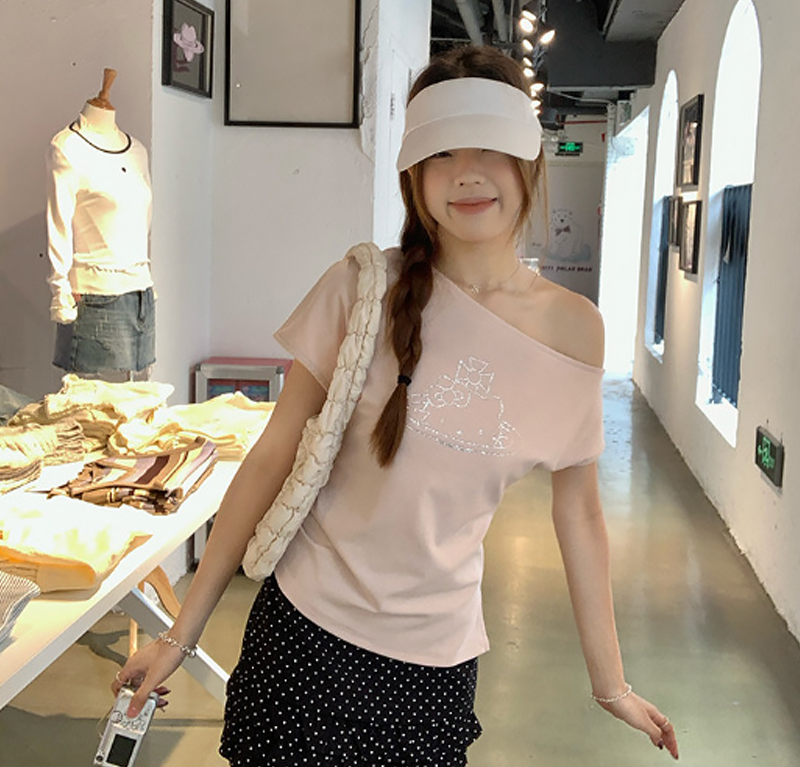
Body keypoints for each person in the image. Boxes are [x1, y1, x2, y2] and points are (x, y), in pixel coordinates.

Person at [113, 45, 679, 764]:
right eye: (441, 153)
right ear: (414, 174)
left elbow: (580, 512)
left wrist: (611, 685)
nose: (466, 172)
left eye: (489, 148)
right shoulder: (360, 290)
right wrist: (179, 633)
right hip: (303, 645)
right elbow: (271, 456)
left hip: (433, 672)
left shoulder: (574, 330)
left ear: (529, 161)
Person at [46, 68, 156, 378]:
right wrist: (59, 288)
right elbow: (58, 222)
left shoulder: (137, 150)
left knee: (137, 400)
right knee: (89, 403)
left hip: (142, 294)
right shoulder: (68, 147)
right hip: (95, 296)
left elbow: (142, 221)